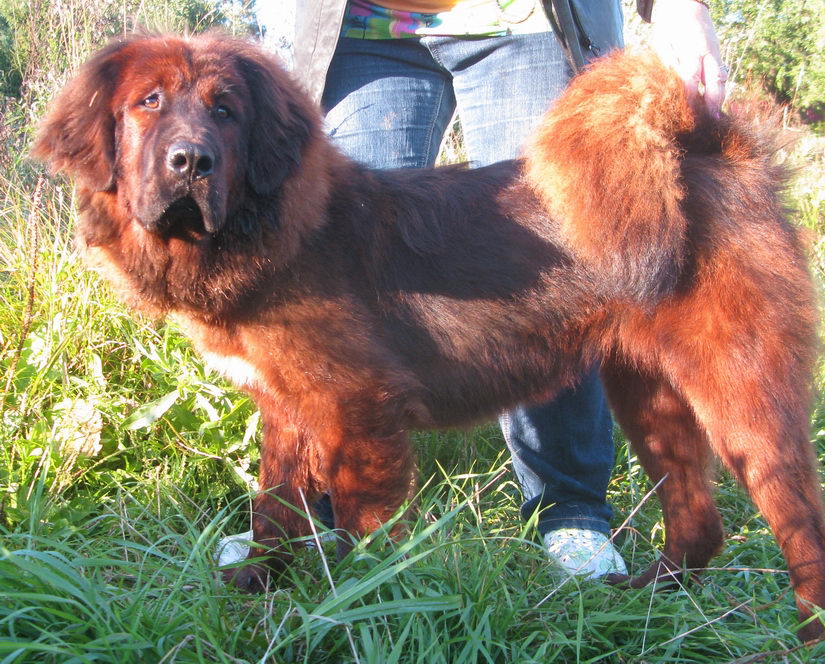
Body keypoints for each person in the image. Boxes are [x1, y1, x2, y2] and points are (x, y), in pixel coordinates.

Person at [219, 0, 726, 580]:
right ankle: (323, 523)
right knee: (325, 313)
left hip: (526, 20)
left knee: (564, 267)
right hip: (365, 24)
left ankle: (570, 514)